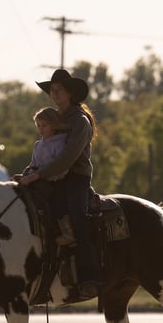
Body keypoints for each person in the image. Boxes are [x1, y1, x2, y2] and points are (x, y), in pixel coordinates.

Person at [18, 69, 100, 300]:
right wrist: (27, 174)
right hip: (48, 176)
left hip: (75, 178)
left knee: (78, 218)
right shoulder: (53, 118)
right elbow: (42, 152)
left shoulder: (80, 121)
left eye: (58, 90)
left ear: (70, 93)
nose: (53, 93)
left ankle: (89, 277)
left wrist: (37, 176)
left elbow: (67, 158)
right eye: (51, 90)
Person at [16, 107, 75, 246]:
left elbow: (60, 166)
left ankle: (68, 232)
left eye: (44, 126)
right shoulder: (38, 145)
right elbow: (34, 164)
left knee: (57, 201)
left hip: (55, 180)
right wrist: (25, 175)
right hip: (38, 179)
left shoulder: (59, 143)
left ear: (54, 125)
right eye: (38, 126)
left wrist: (40, 175)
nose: (41, 129)